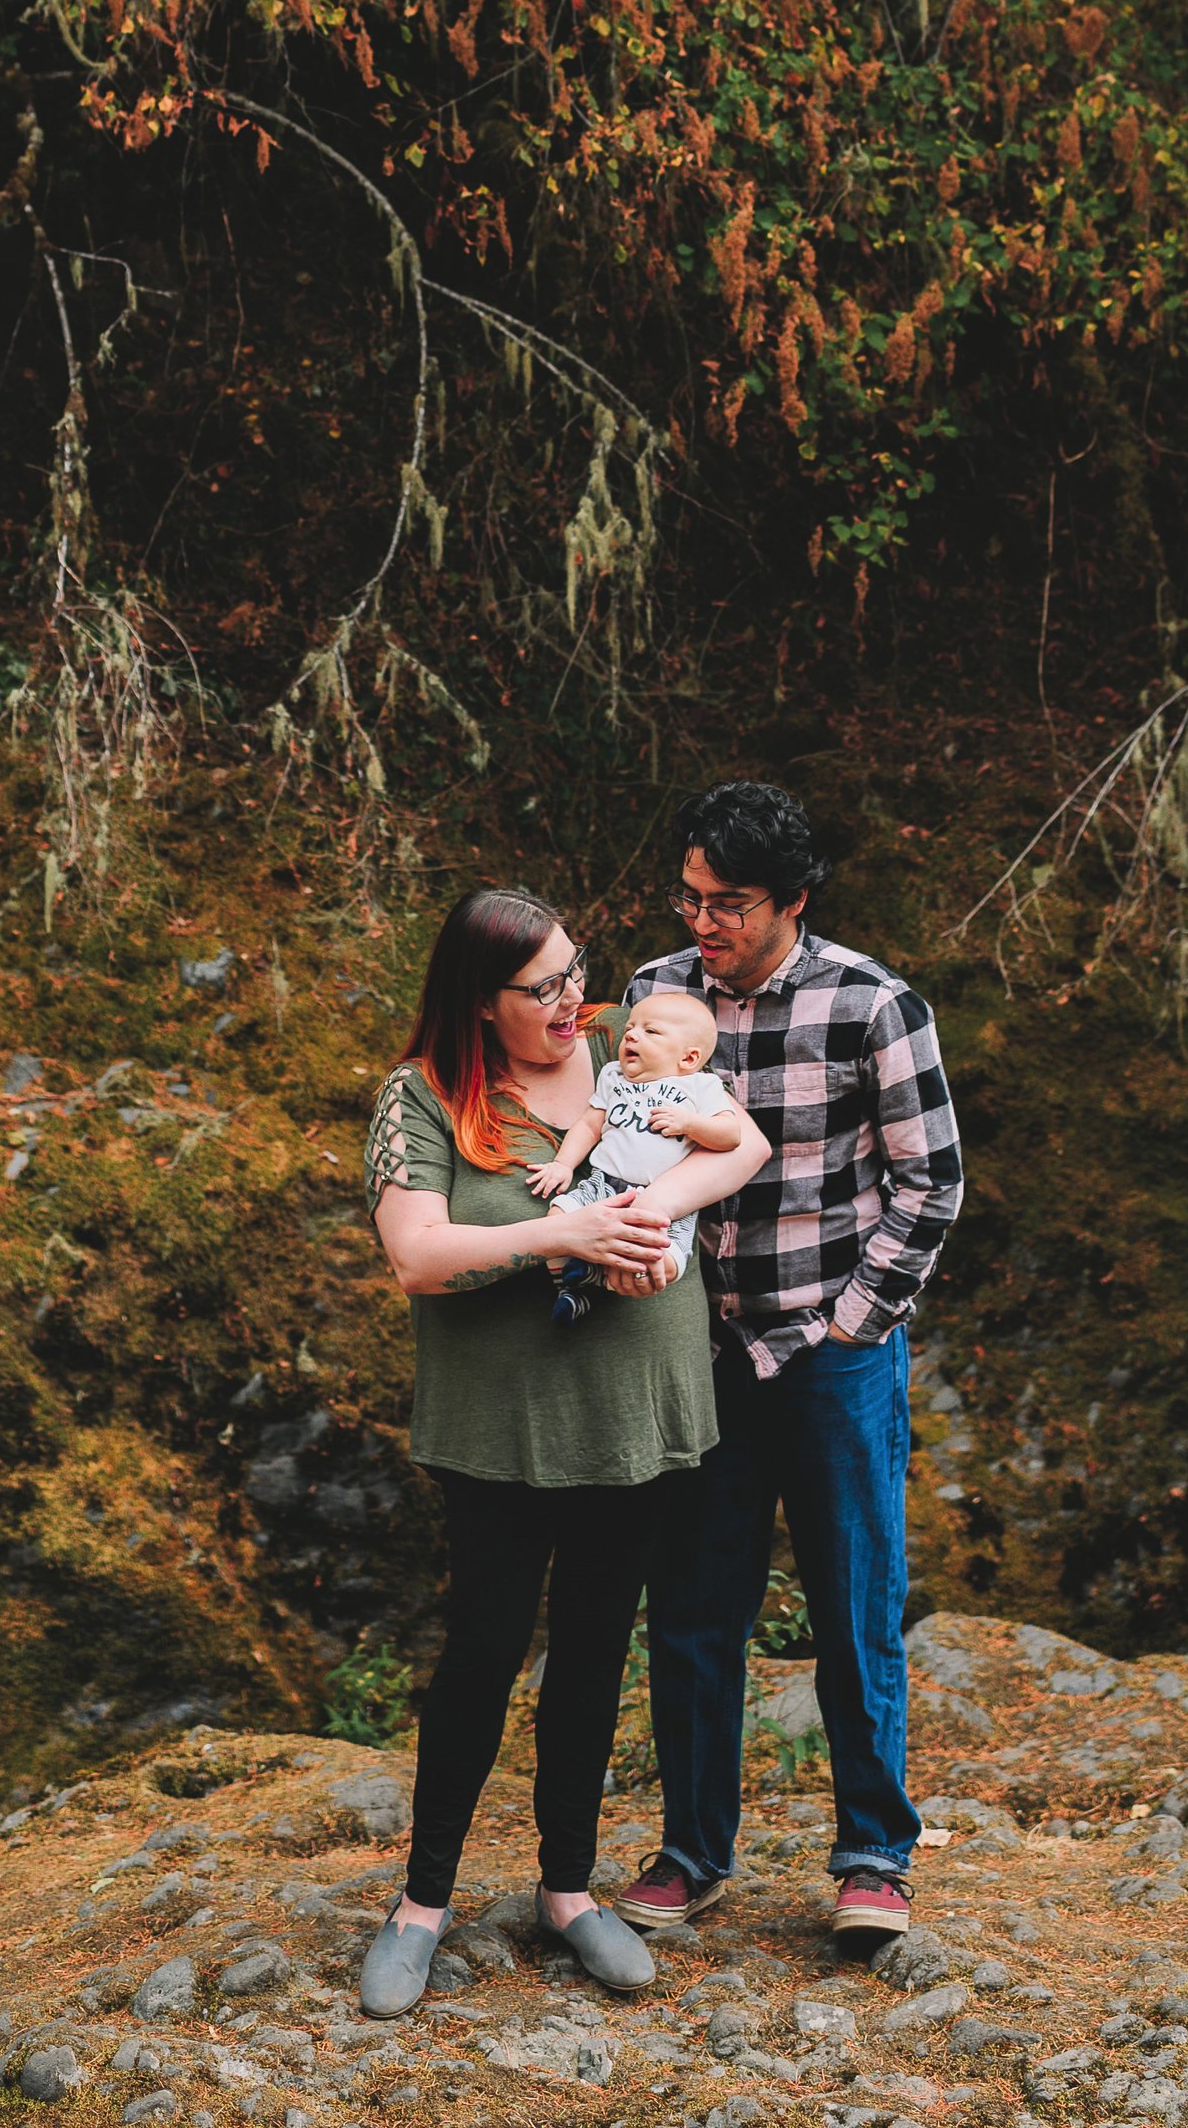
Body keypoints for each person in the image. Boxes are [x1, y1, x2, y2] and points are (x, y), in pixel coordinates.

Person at [360, 886, 774, 2020]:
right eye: (542, 985)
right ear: (479, 1001)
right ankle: (421, 1905)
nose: (573, 999)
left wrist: (651, 1211)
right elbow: (418, 1255)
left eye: (575, 971)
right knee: (484, 1655)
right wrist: (563, 1232)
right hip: (498, 1429)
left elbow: (743, 1142)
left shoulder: (628, 1051)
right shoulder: (424, 1094)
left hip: (630, 1417)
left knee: (593, 1654)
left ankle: (565, 1889)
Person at [613, 781, 964, 1962]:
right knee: (694, 1610)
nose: (701, 920)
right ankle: (692, 1852)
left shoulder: (873, 1004)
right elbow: (618, 1143)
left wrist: (856, 1324)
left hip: (834, 1356)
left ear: (793, 902)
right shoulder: (652, 999)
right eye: (691, 895)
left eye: (729, 903)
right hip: (694, 1352)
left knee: (854, 1603)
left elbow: (931, 1182)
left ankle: (873, 1858)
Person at [528, 985, 743, 1326]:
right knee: (555, 1220)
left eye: (650, 1031)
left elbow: (731, 1137)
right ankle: (572, 1290)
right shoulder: (613, 1076)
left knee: (666, 1262)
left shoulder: (701, 1087)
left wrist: (691, 1123)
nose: (632, 1037)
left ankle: (596, 1280)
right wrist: (563, 1164)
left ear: (688, 1058)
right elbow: (589, 1124)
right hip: (603, 1187)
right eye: (630, 1029)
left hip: (667, 1207)